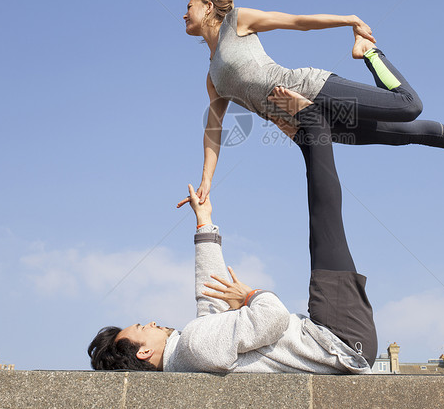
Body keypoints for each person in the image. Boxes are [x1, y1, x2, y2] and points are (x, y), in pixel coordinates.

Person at [178, 0, 444, 207]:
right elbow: (214, 128)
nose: (184, 13)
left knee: (409, 107)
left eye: (190, 5)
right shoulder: (212, 77)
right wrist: (208, 180)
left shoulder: (237, 22)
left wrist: (349, 21)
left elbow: (297, 21)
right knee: (405, 135)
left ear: (208, 6)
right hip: (304, 120)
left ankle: (370, 54)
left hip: (308, 88)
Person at [87, 112, 377, 373]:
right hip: (338, 339)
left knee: (321, 228)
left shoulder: (189, 354)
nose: (150, 322)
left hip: (337, 342)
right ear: (145, 352)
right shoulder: (193, 346)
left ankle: (309, 139)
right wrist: (251, 296)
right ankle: (313, 127)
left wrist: (204, 224)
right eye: (141, 328)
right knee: (324, 222)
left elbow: (212, 300)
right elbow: (273, 318)